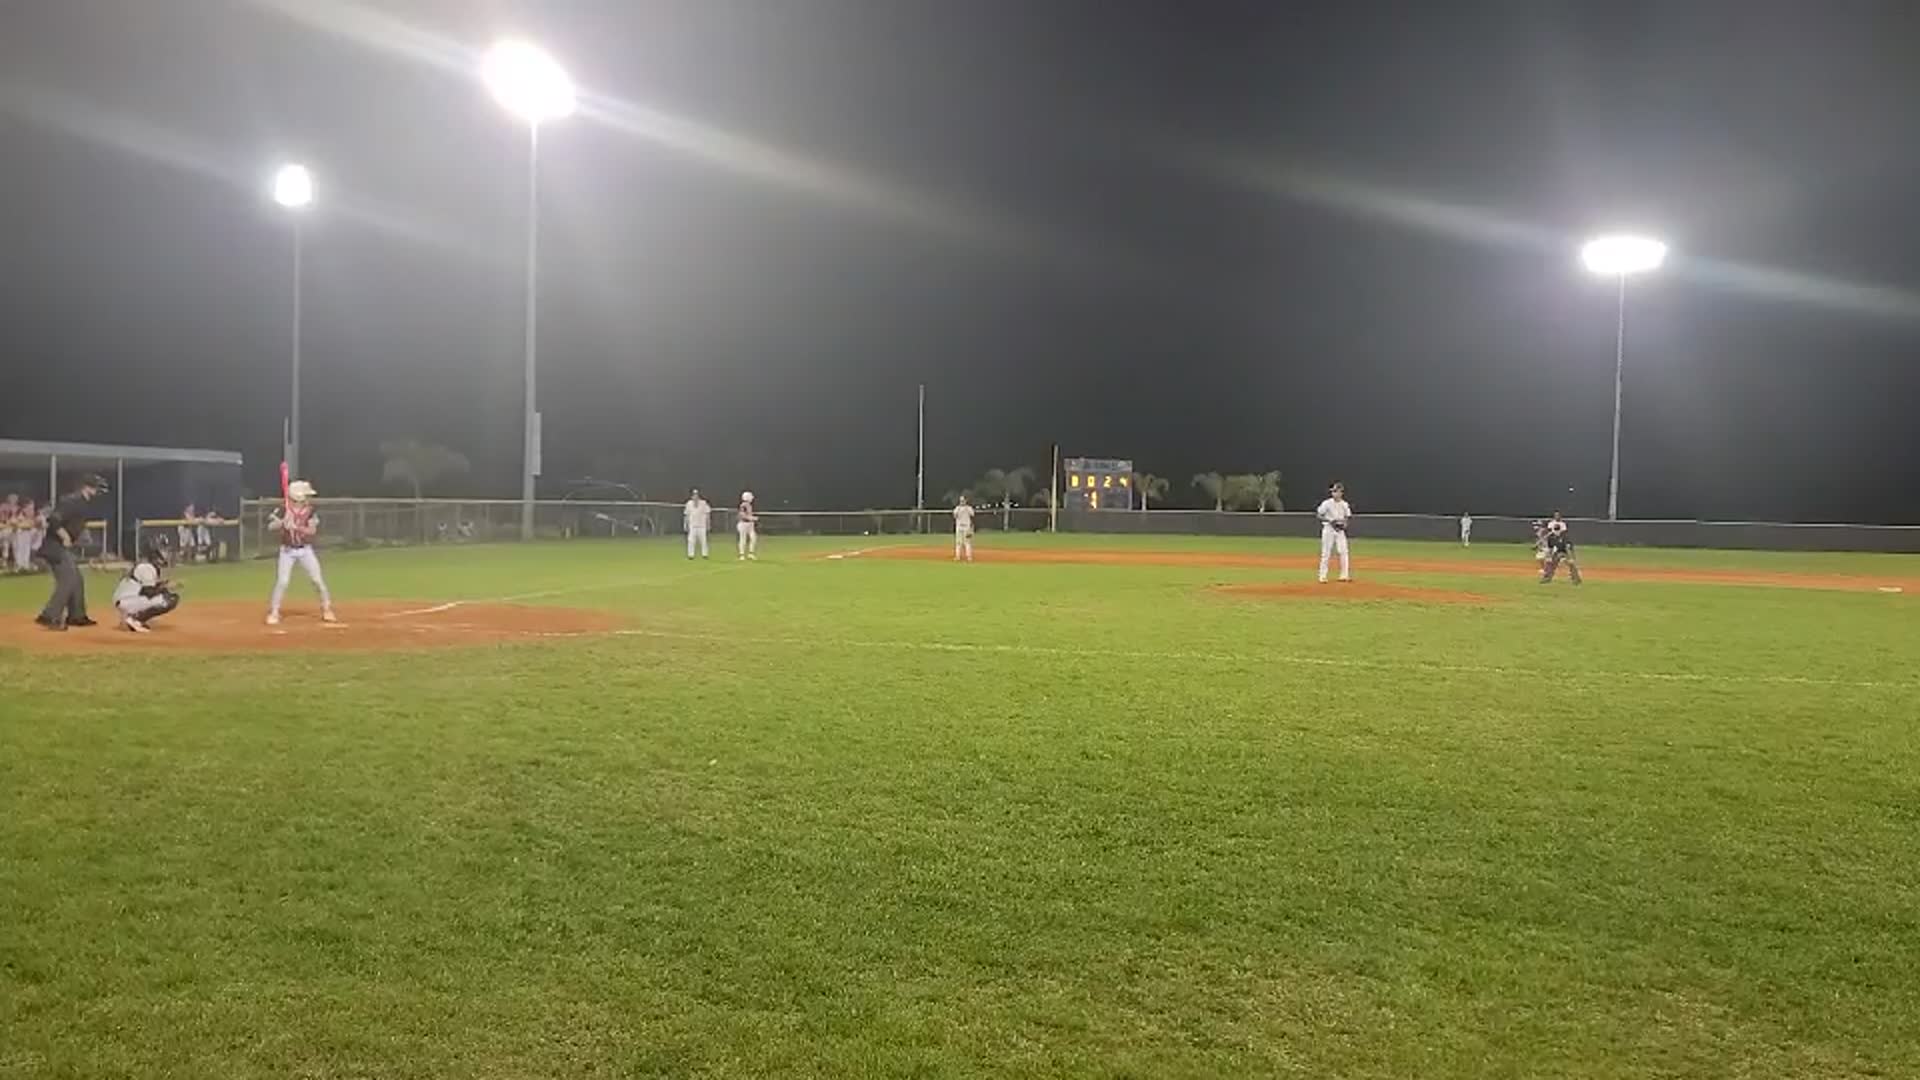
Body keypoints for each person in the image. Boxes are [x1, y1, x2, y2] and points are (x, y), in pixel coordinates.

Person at [35, 474, 108, 630]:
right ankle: (49, 616)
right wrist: (65, 536)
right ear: (86, 487)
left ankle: (76, 616)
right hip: (54, 546)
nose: (98, 491)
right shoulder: (72, 500)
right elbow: (54, 521)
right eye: (96, 487)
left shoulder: (83, 503)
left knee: (77, 580)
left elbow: (75, 527)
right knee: (68, 580)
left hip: (62, 547)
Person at [265, 478, 336, 625]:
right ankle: (274, 612)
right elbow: (270, 526)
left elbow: (312, 531)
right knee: (283, 582)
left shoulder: (310, 511)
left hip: (305, 550)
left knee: (317, 580)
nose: (309, 498)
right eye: (306, 495)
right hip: (287, 551)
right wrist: (282, 523)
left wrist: (296, 527)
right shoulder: (283, 509)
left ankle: (327, 609)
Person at [113, 538, 180, 633]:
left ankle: (131, 615)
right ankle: (136, 619)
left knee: (165, 593)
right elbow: (148, 592)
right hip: (126, 601)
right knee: (169, 599)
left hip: (127, 599)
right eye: (164, 550)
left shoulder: (147, 565)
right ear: (156, 553)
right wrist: (166, 586)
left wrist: (165, 584)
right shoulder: (146, 567)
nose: (167, 553)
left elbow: (146, 587)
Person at [1315, 481, 1353, 583]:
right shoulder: (1327, 503)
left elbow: (1347, 517)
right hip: (1328, 529)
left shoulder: (1344, 504)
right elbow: (1319, 515)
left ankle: (1344, 575)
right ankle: (1322, 576)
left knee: (1343, 551)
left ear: (1341, 492)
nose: (1335, 493)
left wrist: (1344, 524)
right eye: (1333, 491)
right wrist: (1330, 521)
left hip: (1340, 531)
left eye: (1337, 491)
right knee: (1326, 553)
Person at [1540, 512, 1582, 585]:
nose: (1557, 531)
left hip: (1565, 552)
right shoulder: (1551, 538)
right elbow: (1550, 548)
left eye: (1558, 530)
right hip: (1557, 553)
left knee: (1571, 564)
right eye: (1555, 530)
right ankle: (1547, 578)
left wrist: (1571, 558)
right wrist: (1549, 557)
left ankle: (1576, 579)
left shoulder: (1564, 538)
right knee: (1550, 563)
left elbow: (1568, 548)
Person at [12, 499, 41, 573]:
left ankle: (24, 564)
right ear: (23, 509)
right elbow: (13, 523)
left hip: (36, 539)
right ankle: (20, 564)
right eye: (28, 508)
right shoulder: (19, 514)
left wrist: (22, 525)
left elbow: (33, 525)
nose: (30, 510)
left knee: (24, 534)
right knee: (21, 535)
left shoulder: (37, 515)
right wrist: (20, 525)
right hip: (23, 538)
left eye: (31, 508)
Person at [684, 488, 712, 559]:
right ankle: (691, 555)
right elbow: (687, 515)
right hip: (692, 526)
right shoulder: (689, 504)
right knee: (691, 541)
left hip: (702, 526)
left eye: (696, 495)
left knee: (703, 541)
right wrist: (686, 524)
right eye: (694, 495)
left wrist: (708, 524)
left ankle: (705, 554)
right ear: (692, 496)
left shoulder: (703, 503)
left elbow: (707, 514)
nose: (695, 496)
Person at [953, 493, 976, 562]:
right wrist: (959, 510)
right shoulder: (957, 508)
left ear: (966, 501)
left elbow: (972, 514)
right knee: (958, 542)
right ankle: (957, 556)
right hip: (959, 527)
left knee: (967, 542)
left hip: (966, 527)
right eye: (961, 500)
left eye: (963, 500)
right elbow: (954, 515)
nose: (962, 502)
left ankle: (969, 557)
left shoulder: (969, 508)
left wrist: (966, 508)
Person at [736, 490, 758, 561]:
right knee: (743, 539)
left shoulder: (749, 505)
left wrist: (751, 519)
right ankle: (742, 555)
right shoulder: (743, 505)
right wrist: (751, 518)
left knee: (753, 538)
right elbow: (742, 515)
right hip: (743, 524)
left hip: (750, 524)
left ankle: (750, 554)